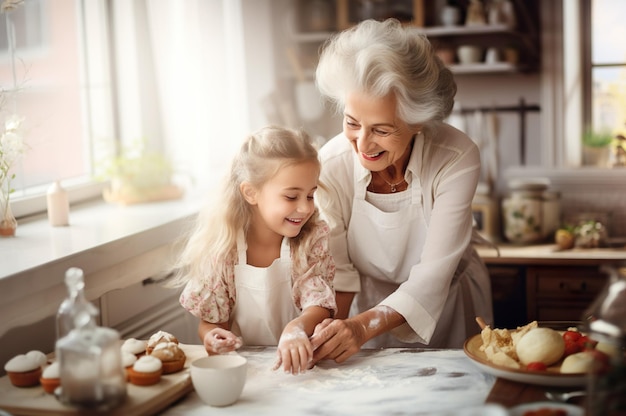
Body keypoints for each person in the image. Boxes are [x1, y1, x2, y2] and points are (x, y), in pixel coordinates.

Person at [309, 19, 493, 363]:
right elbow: (340, 272)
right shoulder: (331, 165)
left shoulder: (455, 156)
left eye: (381, 129)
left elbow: (433, 274)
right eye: (352, 123)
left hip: (448, 302)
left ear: (418, 122)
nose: (362, 144)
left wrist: (360, 328)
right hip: (367, 305)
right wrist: (335, 330)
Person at [169, 125, 336, 375]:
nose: (304, 208)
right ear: (251, 193)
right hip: (248, 370)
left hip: (304, 367)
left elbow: (318, 302)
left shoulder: (311, 238)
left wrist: (297, 328)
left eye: (310, 195)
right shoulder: (223, 250)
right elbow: (213, 322)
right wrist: (212, 337)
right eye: (291, 197)